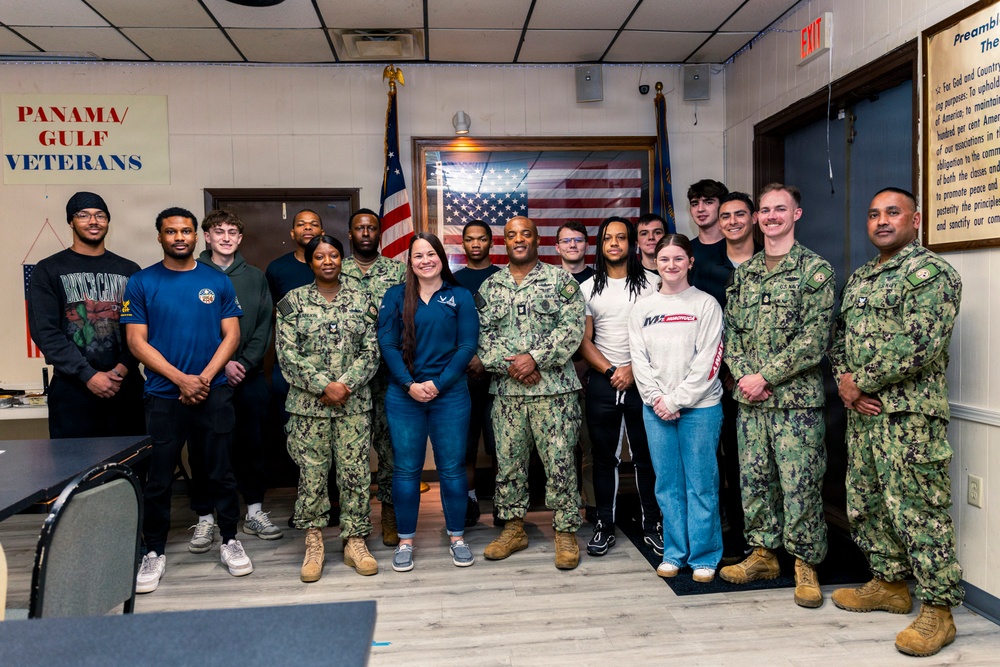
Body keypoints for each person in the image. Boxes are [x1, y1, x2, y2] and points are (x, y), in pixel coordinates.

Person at [829, 188, 964, 657]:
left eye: (892, 213)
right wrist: (846, 383)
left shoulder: (932, 274)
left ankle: (939, 611)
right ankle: (888, 583)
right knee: (866, 502)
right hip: (863, 417)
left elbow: (919, 343)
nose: (881, 221)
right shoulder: (863, 277)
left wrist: (859, 382)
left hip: (909, 417)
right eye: (873, 214)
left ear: (916, 219)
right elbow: (840, 339)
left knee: (918, 510)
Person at [123, 207, 251, 594]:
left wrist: (205, 379)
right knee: (159, 479)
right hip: (163, 396)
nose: (179, 237)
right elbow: (135, 341)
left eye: (186, 231)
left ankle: (229, 540)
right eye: (171, 231)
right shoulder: (141, 282)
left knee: (220, 472)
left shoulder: (217, 281)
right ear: (159, 236)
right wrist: (182, 380)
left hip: (213, 395)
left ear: (196, 236)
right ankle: (154, 551)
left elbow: (231, 336)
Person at [719, 183, 834, 609]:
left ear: (796, 215)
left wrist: (764, 374)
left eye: (779, 209)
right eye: (765, 210)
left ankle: (806, 563)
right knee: (754, 481)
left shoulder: (814, 271)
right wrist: (744, 375)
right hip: (751, 402)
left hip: (796, 404)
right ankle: (764, 554)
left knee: (800, 484)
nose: (771, 216)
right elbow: (730, 333)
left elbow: (815, 338)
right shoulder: (744, 275)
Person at [478, 216, 586, 570]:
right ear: (503, 242)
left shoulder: (561, 281)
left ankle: (565, 531)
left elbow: (572, 330)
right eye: (511, 235)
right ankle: (513, 528)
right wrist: (514, 366)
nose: (518, 239)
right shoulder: (490, 288)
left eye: (525, 233)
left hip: (554, 393)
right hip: (508, 394)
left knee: (560, 464)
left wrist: (535, 358)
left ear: (537, 239)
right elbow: (481, 338)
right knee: (508, 465)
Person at [275, 235, 380, 582]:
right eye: (320, 256)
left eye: (334, 255)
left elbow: (372, 351)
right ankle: (314, 541)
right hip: (309, 408)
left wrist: (343, 386)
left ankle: (355, 540)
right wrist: (323, 386)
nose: (328, 261)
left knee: (355, 474)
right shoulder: (293, 302)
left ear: (342, 258)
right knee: (312, 476)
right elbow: (287, 355)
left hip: (353, 404)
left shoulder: (362, 301)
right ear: (310, 262)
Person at [378, 232, 480, 571]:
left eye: (431, 254)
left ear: (441, 257)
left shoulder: (460, 296)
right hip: (404, 396)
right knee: (406, 469)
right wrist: (409, 384)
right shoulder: (395, 296)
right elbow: (388, 346)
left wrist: (437, 384)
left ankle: (456, 537)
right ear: (409, 262)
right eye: (418, 255)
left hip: (449, 395)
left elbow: (467, 347)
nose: (425, 260)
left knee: (452, 469)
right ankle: (406, 541)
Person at [629, 234, 724, 583]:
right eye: (664, 259)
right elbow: (638, 359)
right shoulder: (643, 308)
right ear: (655, 262)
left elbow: (710, 361)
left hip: (700, 408)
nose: (671, 265)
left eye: (678, 258)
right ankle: (674, 552)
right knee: (667, 483)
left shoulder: (706, 305)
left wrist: (675, 400)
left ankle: (704, 555)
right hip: (655, 409)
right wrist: (657, 399)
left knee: (701, 483)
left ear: (690, 262)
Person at [195, 209, 281, 546]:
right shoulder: (192, 273)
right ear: (207, 236)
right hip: (207, 379)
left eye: (232, 231)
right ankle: (206, 517)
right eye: (219, 231)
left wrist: (242, 362)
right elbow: (194, 328)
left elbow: (264, 325)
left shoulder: (255, 277)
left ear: (240, 238)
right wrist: (222, 364)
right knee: (208, 448)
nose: (226, 237)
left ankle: (255, 512)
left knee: (252, 448)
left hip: (250, 377)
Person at [28, 191, 144, 438]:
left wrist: (122, 368)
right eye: (84, 215)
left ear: (108, 222)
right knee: (75, 472)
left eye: (100, 215)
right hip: (73, 391)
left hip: (125, 387)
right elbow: (45, 332)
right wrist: (87, 375)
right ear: (71, 221)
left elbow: (141, 329)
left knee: (130, 470)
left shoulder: (130, 270)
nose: (93, 221)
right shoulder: (48, 269)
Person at [578, 217, 659, 557]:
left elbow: (661, 336)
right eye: (608, 238)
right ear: (601, 245)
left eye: (621, 237)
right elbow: (583, 341)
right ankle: (605, 525)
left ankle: (652, 524)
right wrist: (613, 370)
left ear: (631, 244)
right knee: (604, 458)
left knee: (646, 457)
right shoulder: (587, 287)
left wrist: (632, 370)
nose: (614, 243)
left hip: (644, 381)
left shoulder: (653, 283)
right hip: (603, 380)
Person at [341, 208, 406, 547]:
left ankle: (390, 515)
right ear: (350, 233)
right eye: (359, 228)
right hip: (347, 378)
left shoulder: (397, 271)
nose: (365, 233)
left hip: (387, 375)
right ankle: (353, 524)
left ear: (380, 233)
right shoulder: (337, 270)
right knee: (349, 452)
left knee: (391, 449)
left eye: (371, 228)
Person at [714, 191, 764, 563]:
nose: (732, 221)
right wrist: (729, 372)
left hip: (765, 384)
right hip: (715, 381)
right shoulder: (701, 264)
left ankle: (759, 533)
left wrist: (752, 374)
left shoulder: (771, 262)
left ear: (753, 219)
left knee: (753, 461)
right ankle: (729, 523)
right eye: (725, 216)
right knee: (723, 458)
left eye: (739, 214)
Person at [453, 220, 500, 527]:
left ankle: (503, 501)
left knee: (502, 447)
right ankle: (470, 502)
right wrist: (468, 359)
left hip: (499, 377)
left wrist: (487, 360)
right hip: (463, 378)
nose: (475, 244)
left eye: (481, 239)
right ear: (463, 244)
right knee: (465, 447)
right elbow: (448, 326)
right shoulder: (453, 281)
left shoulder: (503, 277)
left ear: (490, 242)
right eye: (470, 239)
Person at [688, 179, 731, 307]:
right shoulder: (684, 250)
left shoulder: (736, 247)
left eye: (708, 202)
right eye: (694, 204)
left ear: (722, 206)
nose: (700, 209)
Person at [635, 213, 667, 280]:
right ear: (637, 242)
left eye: (657, 232)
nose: (651, 237)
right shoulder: (629, 274)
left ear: (666, 238)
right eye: (644, 234)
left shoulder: (679, 271)